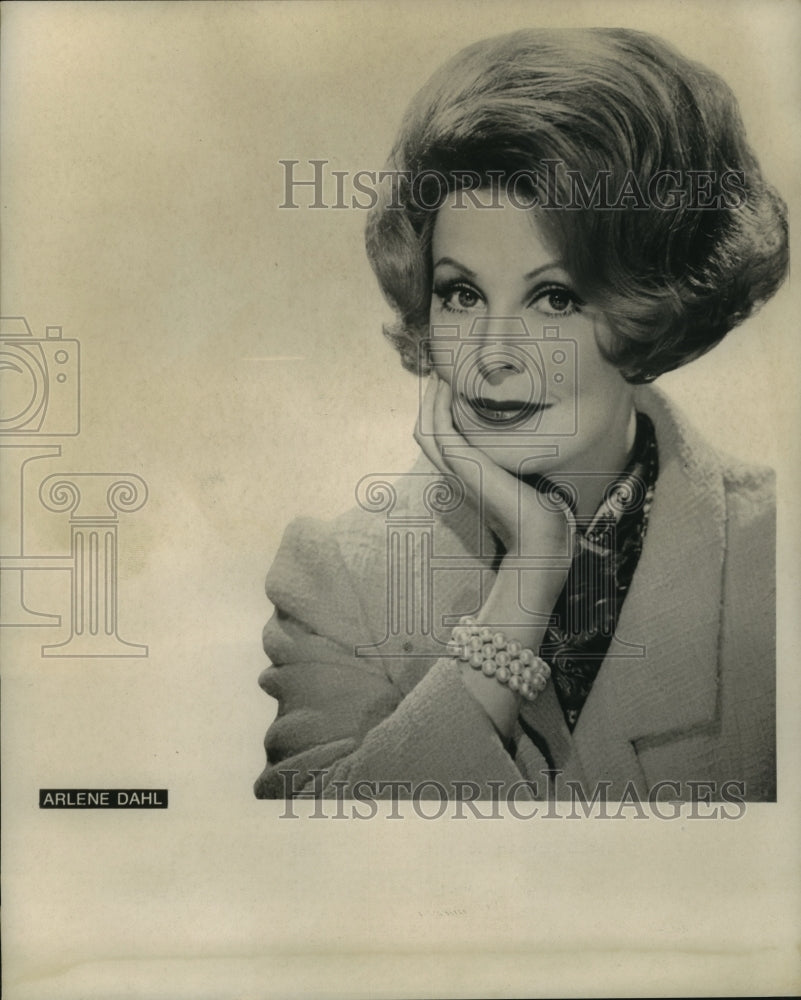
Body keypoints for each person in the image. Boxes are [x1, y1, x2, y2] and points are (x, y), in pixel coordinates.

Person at [254, 28, 787, 803]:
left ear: (651, 309)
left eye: (555, 297)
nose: (492, 354)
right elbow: (325, 869)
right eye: (461, 294)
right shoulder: (337, 576)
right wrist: (531, 572)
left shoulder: (773, 555)